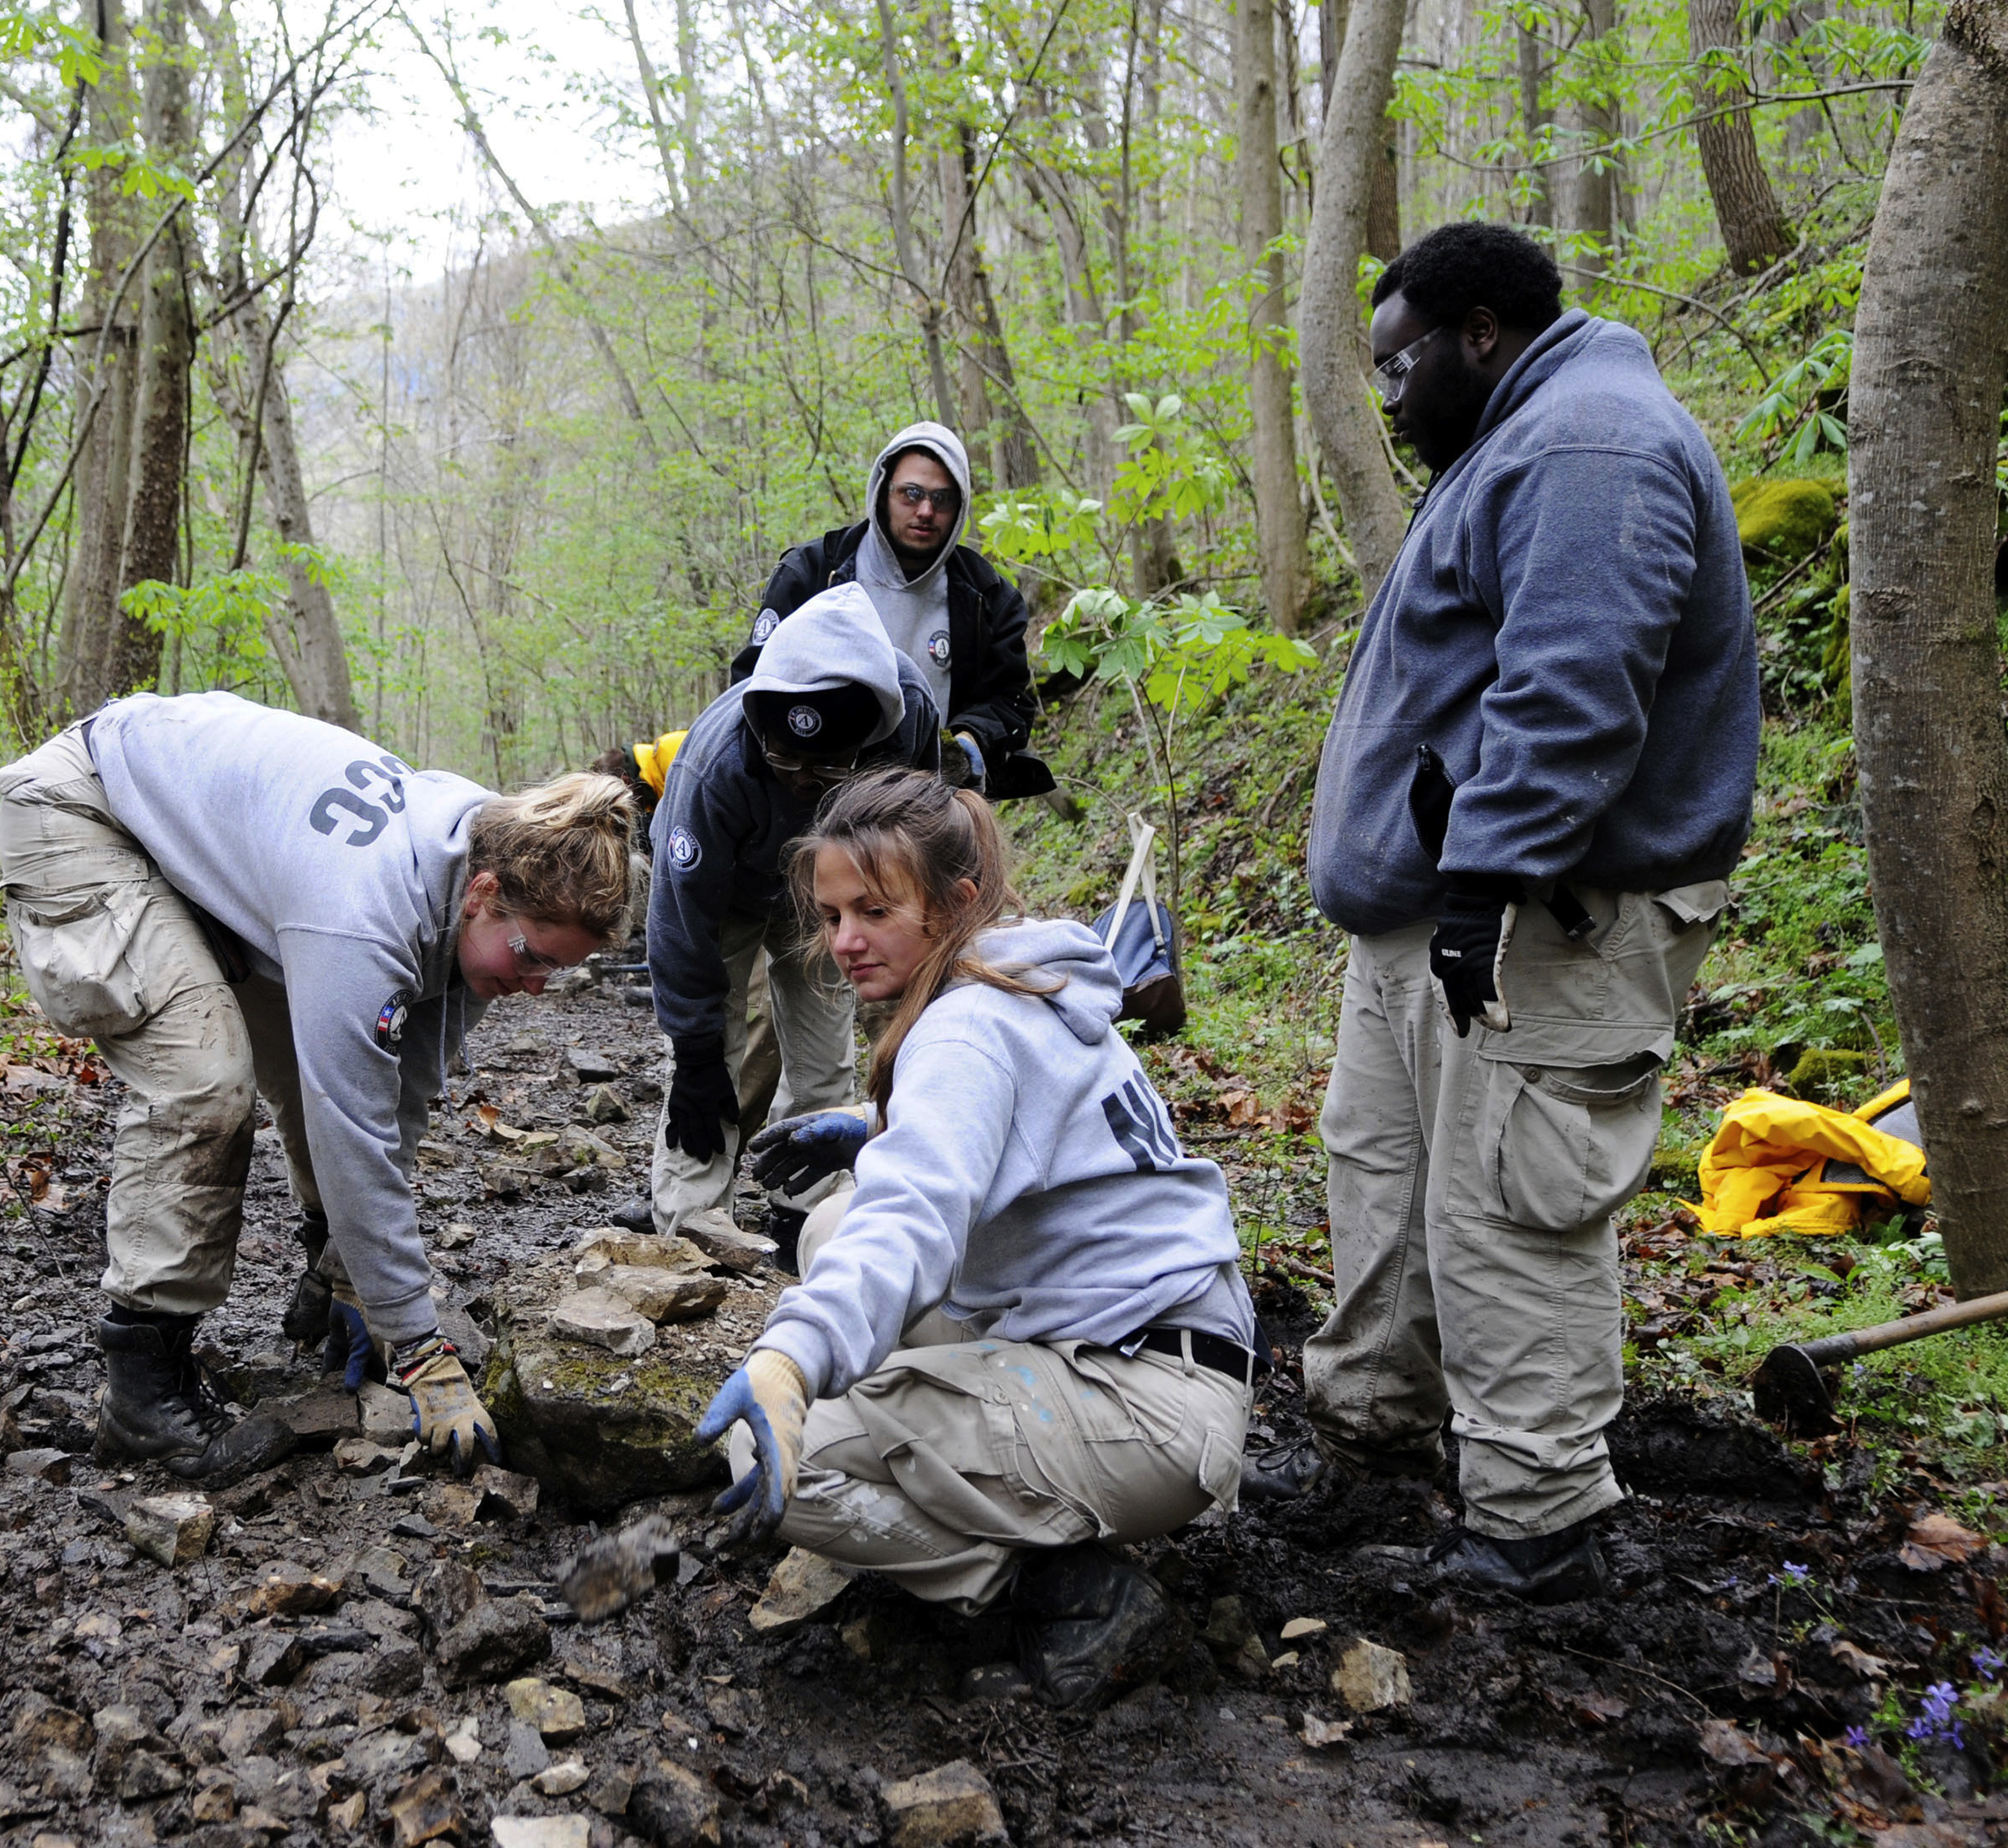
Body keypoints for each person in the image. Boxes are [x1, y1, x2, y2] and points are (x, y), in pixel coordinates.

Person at [1273, 222, 1760, 1601]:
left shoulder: (1589, 445)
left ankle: (1538, 1520)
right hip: (1452, 912)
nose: (1386, 394)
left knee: (1509, 1205)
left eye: (1397, 363)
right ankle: (1381, 1430)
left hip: (1545, 920)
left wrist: (1483, 885)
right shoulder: (1526, 432)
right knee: (1388, 1174)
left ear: (1479, 331)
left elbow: (1572, 693)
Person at [697, 768, 1253, 1710]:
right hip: (1156, 1348)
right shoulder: (1026, 976)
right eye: (831, 915)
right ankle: (1034, 1506)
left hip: (1149, 1405)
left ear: (954, 902)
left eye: (874, 910)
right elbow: (1018, 1146)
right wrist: (878, 1133)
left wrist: (791, 1361)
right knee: (834, 1222)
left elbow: (914, 1217)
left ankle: (1050, 1583)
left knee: (776, 1460)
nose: (844, 942)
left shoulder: (967, 1029)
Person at [0, 691, 645, 1483]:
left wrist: (350, 1270)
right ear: (484, 893)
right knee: (204, 1079)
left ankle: (319, 1280)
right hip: (87, 808)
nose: (537, 987)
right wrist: (421, 1349)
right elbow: (353, 1131)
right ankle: (143, 1391)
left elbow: (398, 1093)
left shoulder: (478, 861)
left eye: (557, 969)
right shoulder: (365, 915)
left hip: (189, 834)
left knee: (327, 1070)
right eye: (533, 959)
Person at [645, 588, 943, 1245]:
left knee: (824, 1054)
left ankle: (810, 1201)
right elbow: (678, 917)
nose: (804, 777)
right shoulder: (714, 762)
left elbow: (924, 838)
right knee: (710, 1056)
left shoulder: (911, 713)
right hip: (725, 889)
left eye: (829, 764)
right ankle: (690, 1220)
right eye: (785, 758)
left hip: (830, 890)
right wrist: (694, 1052)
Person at [729, 423, 1047, 797]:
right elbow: (750, 684)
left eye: (942, 498)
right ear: (883, 492)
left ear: (960, 508)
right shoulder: (813, 575)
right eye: (911, 494)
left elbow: (1008, 701)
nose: (926, 511)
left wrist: (968, 740)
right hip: (815, 796)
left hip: (929, 803)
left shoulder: (988, 598)